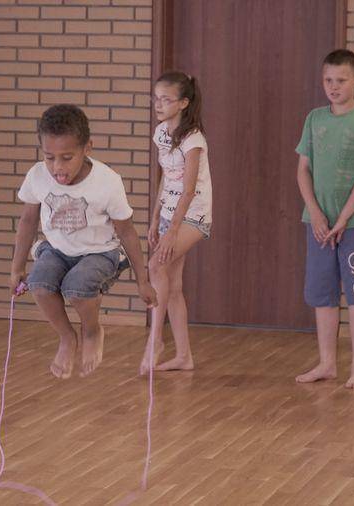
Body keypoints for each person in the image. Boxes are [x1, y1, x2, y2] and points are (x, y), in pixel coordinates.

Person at [10, 104, 157, 379]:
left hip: (100, 253)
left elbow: (127, 232)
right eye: (49, 157)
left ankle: (91, 331)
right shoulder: (37, 176)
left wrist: (143, 281)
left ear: (87, 147)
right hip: (57, 251)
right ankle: (67, 337)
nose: (57, 167)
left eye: (67, 158)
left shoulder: (107, 181)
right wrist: (16, 268)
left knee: (76, 287)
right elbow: (28, 221)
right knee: (38, 284)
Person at [294, 49, 354, 389]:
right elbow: (303, 170)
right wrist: (316, 212)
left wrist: (343, 218)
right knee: (322, 292)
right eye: (328, 80)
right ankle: (327, 363)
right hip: (319, 224)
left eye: (341, 80)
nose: (333, 87)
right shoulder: (314, 119)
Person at [139, 71, 212, 375]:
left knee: (156, 266)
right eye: (156, 98)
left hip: (194, 215)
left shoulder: (193, 140)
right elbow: (167, 178)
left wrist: (171, 232)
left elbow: (189, 189)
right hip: (170, 212)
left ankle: (156, 339)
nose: (159, 104)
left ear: (183, 103)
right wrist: (156, 217)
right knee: (173, 286)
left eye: (166, 99)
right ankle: (184, 356)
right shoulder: (161, 133)